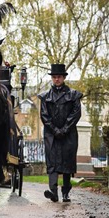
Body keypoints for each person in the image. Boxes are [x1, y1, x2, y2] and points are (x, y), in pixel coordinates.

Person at [38, 64, 83, 203]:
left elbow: (76, 114)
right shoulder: (45, 97)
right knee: (52, 161)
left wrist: (64, 129)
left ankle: (66, 193)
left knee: (67, 162)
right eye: (54, 77)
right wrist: (55, 130)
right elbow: (44, 115)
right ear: (52, 78)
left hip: (68, 134)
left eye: (59, 77)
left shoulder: (73, 95)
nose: (56, 79)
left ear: (64, 78)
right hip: (51, 135)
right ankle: (53, 192)